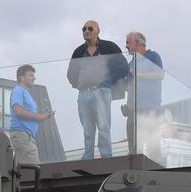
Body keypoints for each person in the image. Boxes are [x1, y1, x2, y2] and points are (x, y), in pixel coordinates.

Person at [65, 20, 128, 160]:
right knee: (87, 130)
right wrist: (79, 85)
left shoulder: (109, 47)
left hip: (102, 92)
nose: (86, 31)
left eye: (90, 28)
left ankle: (106, 157)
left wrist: (108, 82)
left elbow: (123, 67)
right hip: (83, 94)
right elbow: (70, 73)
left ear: (98, 31)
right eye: (83, 29)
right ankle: (88, 157)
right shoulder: (78, 51)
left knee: (103, 126)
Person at [122, 30, 164, 158]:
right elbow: (128, 87)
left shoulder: (153, 56)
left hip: (149, 110)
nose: (126, 46)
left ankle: (156, 173)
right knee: (133, 148)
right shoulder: (130, 64)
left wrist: (138, 75)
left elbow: (160, 74)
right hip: (133, 112)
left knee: (153, 147)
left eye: (128, 42)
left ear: (137, 42)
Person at [7, 65, 48, 166]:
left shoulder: (26, 93)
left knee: (29, 172)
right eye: (31, 75)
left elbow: (30, 117)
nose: (34, 77)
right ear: (22, 77)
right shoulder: (18, 90)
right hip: (22, 136)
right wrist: (40, 117)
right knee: (33, 171)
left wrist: (45, 116)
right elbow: (18, 112)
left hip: (26, 137)